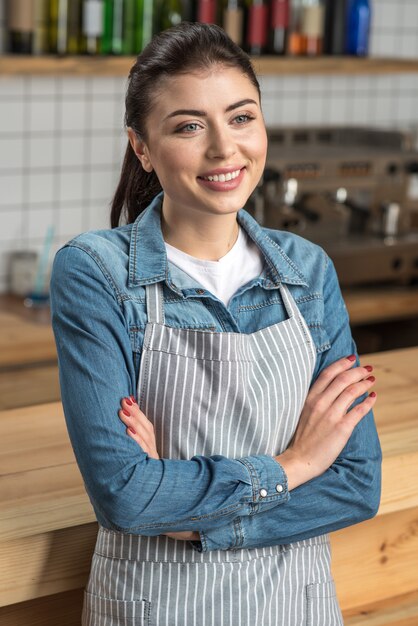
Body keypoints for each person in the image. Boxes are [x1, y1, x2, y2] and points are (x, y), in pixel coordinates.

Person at [50, 22, 382, 626]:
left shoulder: (306, 270)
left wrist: (184, 521)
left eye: (241, 117)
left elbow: (356, 484)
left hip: (296, 605)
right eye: (188, 126)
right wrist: (298, 464)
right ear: (142, 147)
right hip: (156, 609)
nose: (224, 150)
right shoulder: (96, 273)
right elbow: (124, 495)